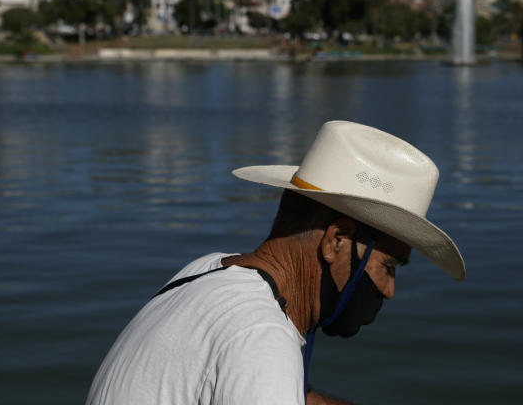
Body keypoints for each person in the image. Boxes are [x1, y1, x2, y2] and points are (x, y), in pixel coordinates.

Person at [86, 120, 466, 405]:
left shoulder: (207, 271)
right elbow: (260, 366)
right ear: (336, 240)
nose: (390, 290)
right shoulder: (261, 337)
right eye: (390, 266)